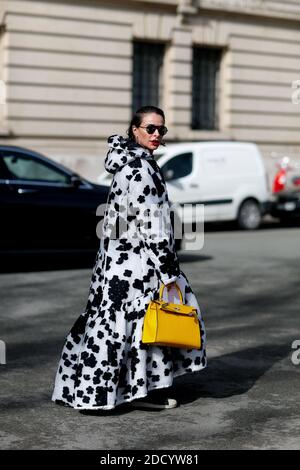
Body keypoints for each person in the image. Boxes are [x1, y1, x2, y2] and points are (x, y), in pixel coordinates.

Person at [51, 105, 206, 411]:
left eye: (161, 129)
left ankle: (92, 392)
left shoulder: (131, 163)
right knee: (144, 326)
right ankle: (142, 393)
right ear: (135, 129)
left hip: (116, 263)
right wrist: (169, 271)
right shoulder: (139, 169)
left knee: (111, 326)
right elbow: (152, 226)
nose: (157, 134)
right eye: (151, 128)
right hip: (137, 264)